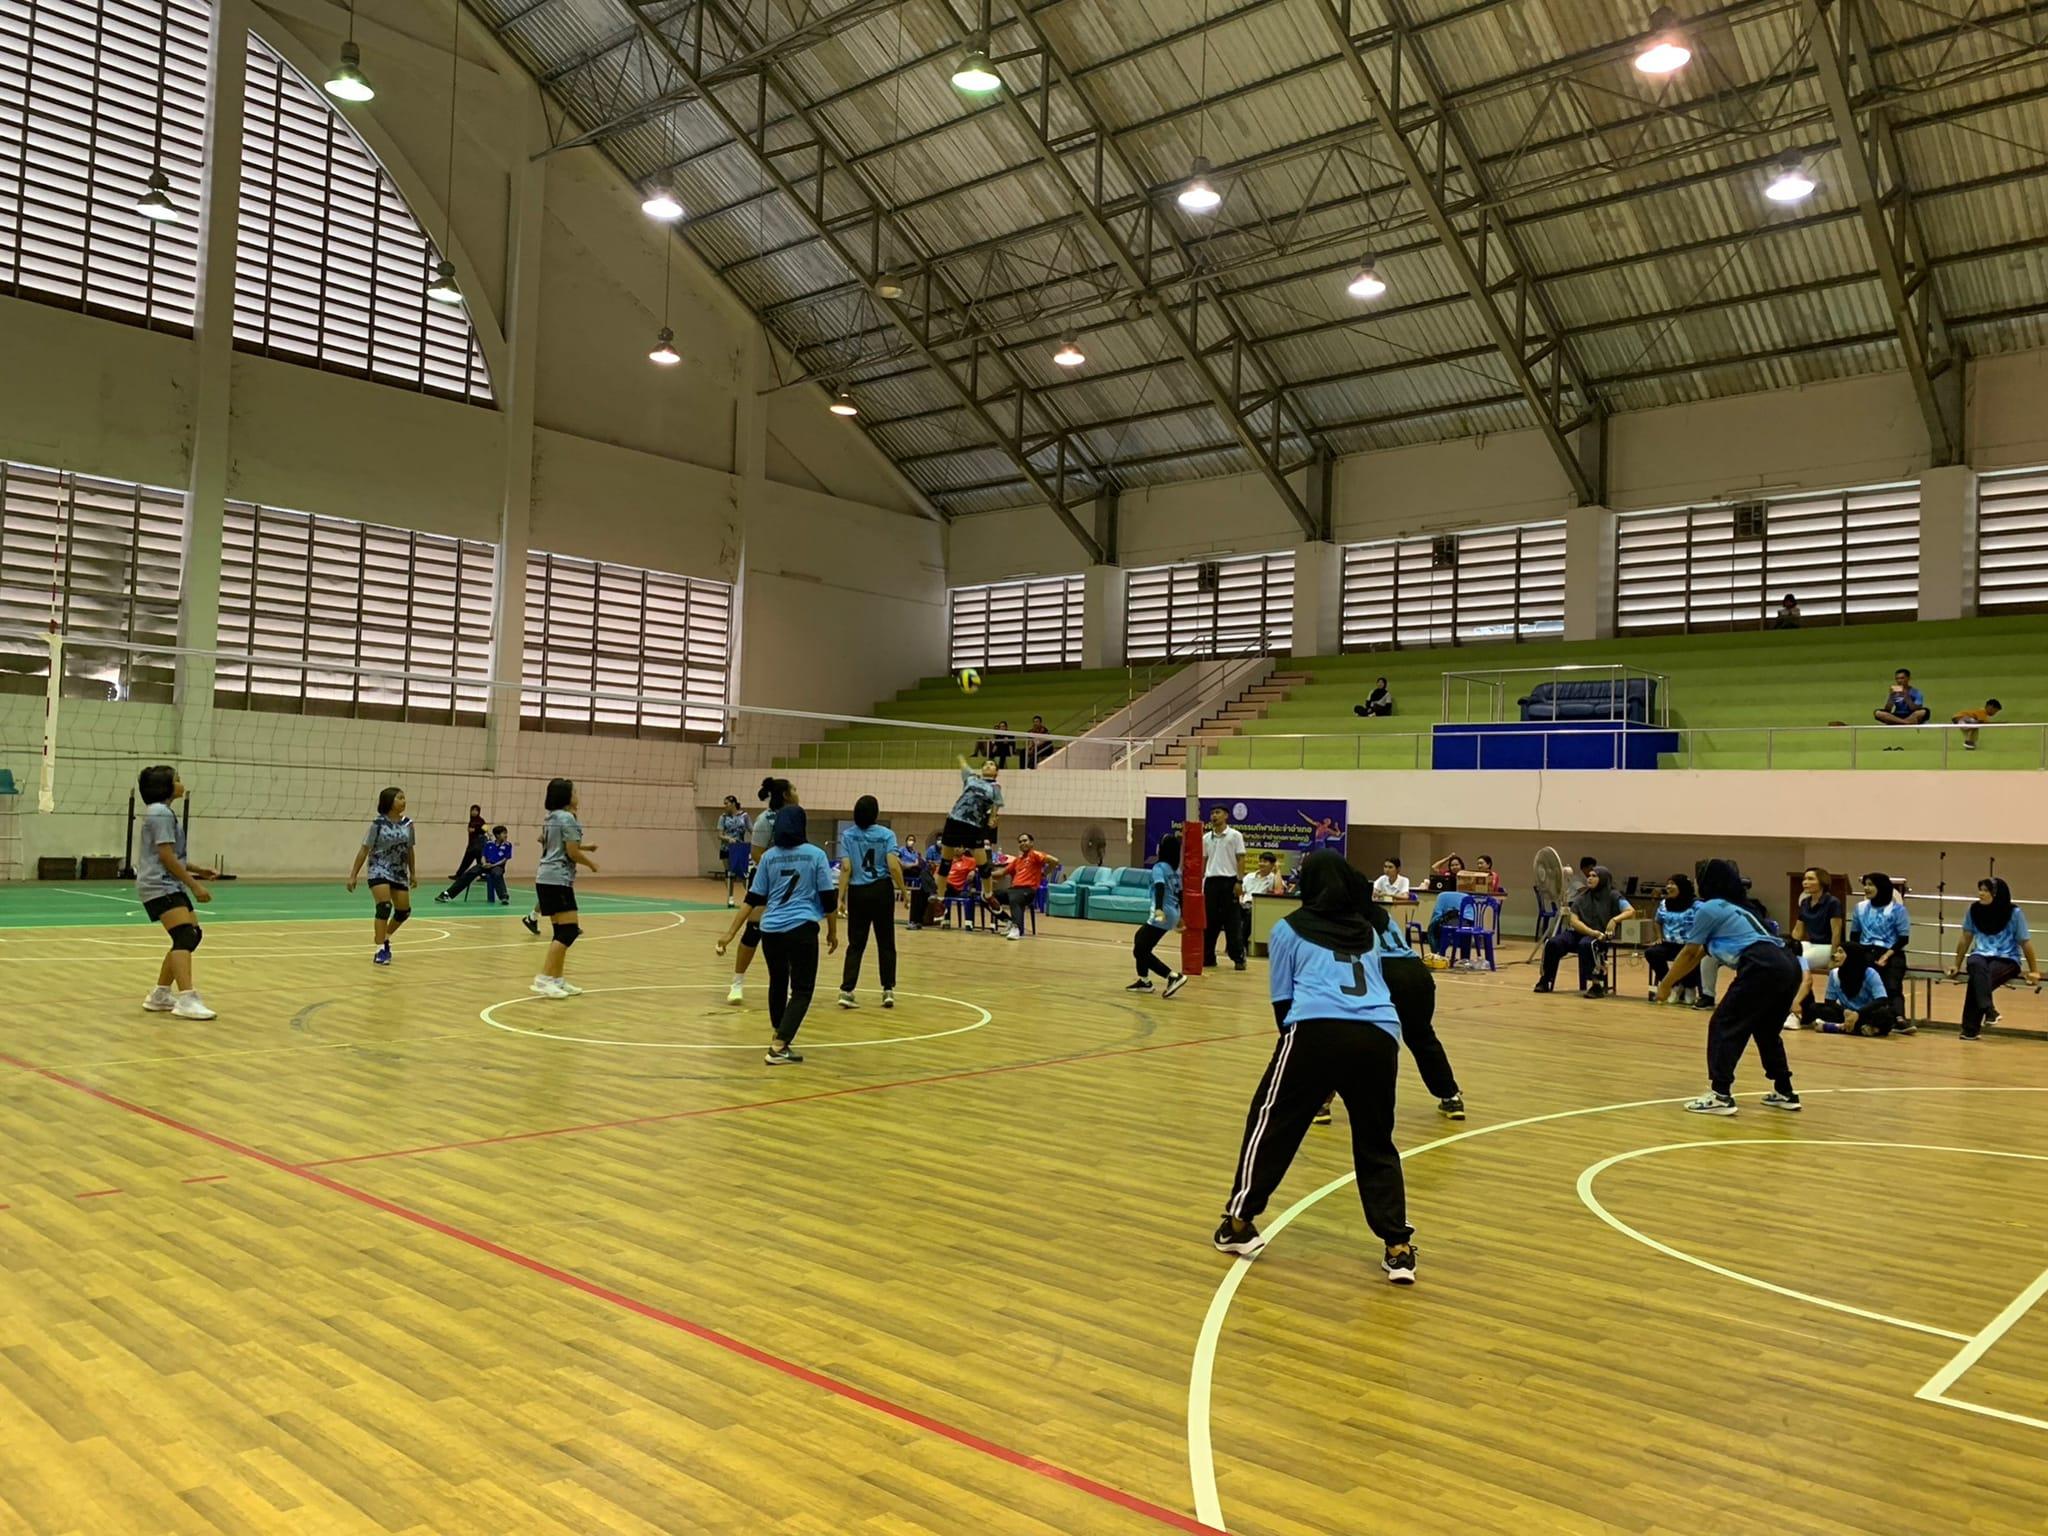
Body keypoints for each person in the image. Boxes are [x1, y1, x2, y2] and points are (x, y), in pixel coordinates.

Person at [1212, 852, 1418, 1283]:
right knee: (1376, 1141)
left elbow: (1283, 1003)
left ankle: (1238, 1222)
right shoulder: (1368, 931)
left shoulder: (1288, 929)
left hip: (1315, 1029)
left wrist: (1307, 1070)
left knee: (1271, 1123)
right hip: (1380, 1036)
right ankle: (1398, 1248)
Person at [1654, 858, 1803, 1115]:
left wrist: (1665, 985)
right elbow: (1699, 953)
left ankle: (1720, 1094)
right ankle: (1785, 1091)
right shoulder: (1739, 908)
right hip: (1788, 965)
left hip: (1761, 966)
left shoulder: (1710, 908)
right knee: (1766, 1031)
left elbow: (1689, 952)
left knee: (1724, 1024)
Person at [718, 805, 837, 1065]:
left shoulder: (769, 857)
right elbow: (829, 898)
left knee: (778, 982)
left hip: (770, 931)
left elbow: (752, 899)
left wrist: (730, 933)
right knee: (802, 989)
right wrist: (832, 932)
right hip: (802, 928)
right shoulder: (816, 854)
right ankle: (779, 1045)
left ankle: (778, 1034)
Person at [135, 765, 219, 1020]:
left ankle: (160, 995)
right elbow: (166, 856)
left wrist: (199, 870)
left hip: (167, 883)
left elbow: (170, 855)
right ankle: (187, 999)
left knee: (192, 935)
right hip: (159, 884)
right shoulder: (160, 813)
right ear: (166, 786)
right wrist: (195, 885)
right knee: (184, 935)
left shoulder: (162, 812)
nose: (182, 783)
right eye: (178, 779)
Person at [714, 777, 795, 1004]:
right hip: (767, 877)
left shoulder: (796, 816)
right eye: (794, 789)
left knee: (791, 932)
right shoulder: (765, 820)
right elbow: (757, 853)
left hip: (791, 879)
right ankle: (737, 983)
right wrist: (777, 870)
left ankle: (791, 985)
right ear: (786, 794)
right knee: (754, 930)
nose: (797, 793)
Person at [526, 778, 597, 998]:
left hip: (546, 877)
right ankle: (544, 979)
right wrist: (591, 864)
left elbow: (548, 841)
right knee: (569, 931)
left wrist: (584, 847)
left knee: (560, 931)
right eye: (574, 792)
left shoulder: (551, 817)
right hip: (558, 879)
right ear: (567, 796)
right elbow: (572, 852)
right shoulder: (567, 818)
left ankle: (557, 979)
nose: (577, 795)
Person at [835, 795, 905, 1009]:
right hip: (881, 890)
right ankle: (888, 990)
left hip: (858, 892)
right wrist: (904, 891)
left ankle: (847, 991)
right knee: (886, 942)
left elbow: (846, 867)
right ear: (876, 813)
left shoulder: (848, 835)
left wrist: (841, 897)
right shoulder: (887, 835)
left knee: (856, 944)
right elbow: (893, 866)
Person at [1950, 877, 2041, 1040]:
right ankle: (1989, 1010)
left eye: (1986, 891)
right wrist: (1956, 964)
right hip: (1980, 954)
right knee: (1974, 963)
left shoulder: (2014, 913)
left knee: (1978, 981)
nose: (1981, 894)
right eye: (1980, 890)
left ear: (1996, 894)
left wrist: (2034, 970)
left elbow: (2025, 942)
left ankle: (1970, 1029)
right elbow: (1965, 938)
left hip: (2007, 958)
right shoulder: (1974, 910)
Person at [346, 787, 416, 967]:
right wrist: (353, 875)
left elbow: (409, 849)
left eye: (404, 798)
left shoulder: (408, 824)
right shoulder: (378, 824)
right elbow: (364, 849)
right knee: (384, 906)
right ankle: (380, 949)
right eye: (400, 798)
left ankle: (385, 937)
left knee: (404, 911)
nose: (404, 801)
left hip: (399, 871)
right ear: (389, 801)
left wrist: (413, 873)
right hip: (379, 868)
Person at [1534, 864, 1630, 996]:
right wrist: (1591, 932)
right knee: (1552, 943)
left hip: (1600, 935)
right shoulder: (1582, 897)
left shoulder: (1613, 895)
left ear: (1603, 879)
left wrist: (1614, 920)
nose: (1589, 878)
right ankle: (1545, 980)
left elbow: (1630, 911)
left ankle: (1596, 985)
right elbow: (1574, 921)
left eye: (1594, 876)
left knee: (1587, 944)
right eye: (1589, 876)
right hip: (1583, 933)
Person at [1128, 831, 1188, 997]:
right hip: (1173, 911)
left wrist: (1159, 909)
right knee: (1140, 940)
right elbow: (1180, 894)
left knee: (1140, 950)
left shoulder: (1159, 868)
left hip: (1163, 912)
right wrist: (1180, 916)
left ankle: (1172, 976)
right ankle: (1144, 981)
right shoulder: (1175, 870)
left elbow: (1160, 887)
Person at [1848, 871, 1911, 1025]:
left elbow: (1903, 939)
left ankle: (1898, 1017)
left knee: (1892, 984)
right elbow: (1854, 935)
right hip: (1866, 950)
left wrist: (1886, 956)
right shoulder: (1860, 908)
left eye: (1871, 885)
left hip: (1891, 951)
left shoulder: (1898, 910)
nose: (1866, 888)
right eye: (1865, 885)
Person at [1788, 866, 1844, 1027]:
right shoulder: (1805, 903)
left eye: (1810, 879)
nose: (1805, 882)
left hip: (1827, 946)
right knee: (1789, 960)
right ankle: (1804, 1006)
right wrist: (1788, 947)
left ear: (1822, 882)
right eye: (1804, 879)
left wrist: (1834, 957)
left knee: (1798, 964)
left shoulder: (1832, 902)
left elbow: (1836, 932)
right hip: (1812, 944)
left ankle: (1796, 1013)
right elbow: (1798, 931)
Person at [1802, 949, 1897, 1036]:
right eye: (1836, 952)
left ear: (1851, 956)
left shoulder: (1870, 973)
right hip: (1845, 1013)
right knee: (1814, 1008)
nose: (1835, 955)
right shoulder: (1834, 973)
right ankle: (1860, 1029)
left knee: (1885, 1015)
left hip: (1866, 1013)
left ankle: (1839, 1028)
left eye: (1840, 952)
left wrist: (1858, 1014)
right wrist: (1845, 1011)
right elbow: (1829, 1001)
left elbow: (1881, 999)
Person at [1202, 805, 1248, 971]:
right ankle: (1208, 956)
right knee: (1210, 922)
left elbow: (1241, 859)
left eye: (1217, 812)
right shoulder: (1206, 838)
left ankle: (1238, 958)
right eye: (1212, 813)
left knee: (1232, 922)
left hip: (1229, 882)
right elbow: (1204, 861)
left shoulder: (1235, 835)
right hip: (1211, 883)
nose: (1214, 816)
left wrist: (1239, 881)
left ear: (1226, 815)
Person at [940, 758, 1004, 876]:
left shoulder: (995, 787)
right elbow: (965, 770)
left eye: (991, 764)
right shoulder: (973, 780)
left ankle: (985, 883)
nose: (988, 766)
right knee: (945, 863)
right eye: (985, 764)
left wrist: (992, 818)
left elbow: (996, 805)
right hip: (957, 820)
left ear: (996, 771)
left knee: (983, 866)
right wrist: (961, 760)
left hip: (975, 825)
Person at [1643, 874, 1698, 999]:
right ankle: (1673, 985)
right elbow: (1657, 921)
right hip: (1669, 944)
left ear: (1682, 886)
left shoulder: (1696, 905)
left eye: (1673, 883)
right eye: (1668, 883)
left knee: (1692, 956)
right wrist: (1659, 937)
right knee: (1652, 953)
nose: (1668, 886)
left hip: (1689, 945)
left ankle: (1689, 986)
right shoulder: (1664, 903)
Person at [998, 831, 1059, 939]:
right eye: (1020, 842)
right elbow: (1002, 873)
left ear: (1031, 843)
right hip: (1014, 889)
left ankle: (1016, 928)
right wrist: (986, 873)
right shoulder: (1017, 860)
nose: (1022, 843)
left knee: (1015, 897)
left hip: (1028, 890)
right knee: (987, 896)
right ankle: (1008, 921)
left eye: (1025, 840)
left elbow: (1055, 861)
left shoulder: (1035, 855)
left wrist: (1044, 874)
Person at [717, 794, 752, 907]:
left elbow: (752, 830)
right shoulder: (723, 817)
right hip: (726, 849)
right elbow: (719, 835)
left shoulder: (744, 816)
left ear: (733, 803)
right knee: (729, 873)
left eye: (726, 803)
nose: (725, 806)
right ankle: (730, 897)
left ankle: (750, 896)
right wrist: (729, 839)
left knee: (743, 874)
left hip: (740, 848)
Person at [449, 804, 486, 884]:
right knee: (472, 861)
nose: (474, 812)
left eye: (476, 810)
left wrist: (475, 830)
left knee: (475, 861)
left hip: (478, 845)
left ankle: (460, 875)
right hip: (472, 844)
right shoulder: (471, 821)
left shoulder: (481, 820)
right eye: (473, 810)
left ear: (479, 812)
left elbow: (485, 829)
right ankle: (460, 874)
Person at [898, 838, 928, 931]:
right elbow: (901, 864)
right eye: (909, 839)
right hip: (906, 871)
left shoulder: (915, 853)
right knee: (919, 889)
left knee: (924, 891)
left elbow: (919, 863)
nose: (911, 842)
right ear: (906, 840)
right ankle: (914, 921)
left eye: (912, 840)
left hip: (916, 871)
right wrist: (913, 864)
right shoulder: (901, 850)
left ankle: (918, 921)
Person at [480, 826, 512, 904]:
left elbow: (504, 860)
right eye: (504, 833)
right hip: (486, 865)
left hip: (498, 866)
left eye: (506, 833)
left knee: (497, 873)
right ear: (497, 835)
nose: (506, 835)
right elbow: (483, 856)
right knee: (472, 871)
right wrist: (484, 864)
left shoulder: (508, 845)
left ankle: (504, 896)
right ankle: (451, 893)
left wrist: (492, 865)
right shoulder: (489, 844)